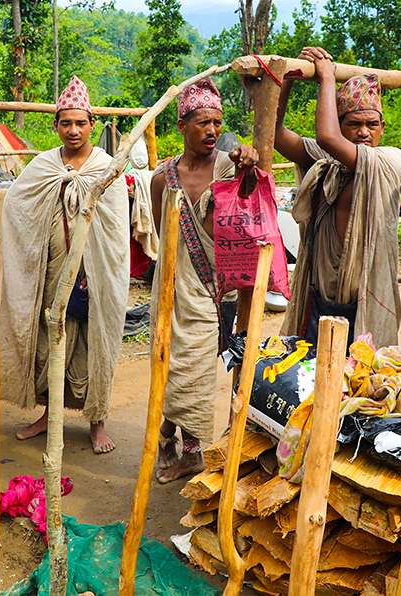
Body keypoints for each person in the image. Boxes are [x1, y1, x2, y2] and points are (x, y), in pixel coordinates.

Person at [0, 76, 128, 455]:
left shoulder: (108, 168)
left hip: (95, 278)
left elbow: (116, 230)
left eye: (80, 123)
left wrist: (96, 273)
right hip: (51, 275)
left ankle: (96, 421)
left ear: (92, 123)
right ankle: (47, 415)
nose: (73, 130)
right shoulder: (42, 166)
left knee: (93, 346)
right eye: (65, 123)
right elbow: (16, 208)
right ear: (55, 125)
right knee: (47, 346)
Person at [148, 78, 259, 482]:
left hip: (216, 293)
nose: (212, 130)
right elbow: (165, 240)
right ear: (182, 126)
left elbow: (249, 202)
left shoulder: (231, 167)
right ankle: (168, 433)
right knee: (169, 364)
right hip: (174, 291)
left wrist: (250, 162)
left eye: (217, 122)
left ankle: (190, 449)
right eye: (202, 123)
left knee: (195, 369)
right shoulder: (163, 178)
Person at [274, 47, 401, 348]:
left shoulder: (388, 162)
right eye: (354, 124)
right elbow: (275, 132)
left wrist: (327, 76)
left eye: (371, 124)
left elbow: (327, 137)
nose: (364, 132)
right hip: (318, 297)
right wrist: (289, 80)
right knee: (310, 381)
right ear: (339, 123)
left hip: (362, 302)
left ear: (382, 128)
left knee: (359, 385)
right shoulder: (328, 163)